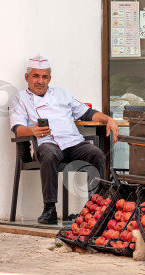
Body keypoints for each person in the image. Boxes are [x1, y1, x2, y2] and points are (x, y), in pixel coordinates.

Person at [10, 54, 119, 224]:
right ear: (27, 77)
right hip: (47, 144)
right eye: (36, 76)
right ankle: (49, 209)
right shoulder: (20, 98)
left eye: (45, 76)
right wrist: (32, 130)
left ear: (49, 78)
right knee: (48, 152)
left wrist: (109, 119)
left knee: (96, 153)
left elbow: (87, 113)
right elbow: (17, 128)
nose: (40, 81)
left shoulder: (62, 94)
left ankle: (96, 207)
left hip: (73, 143)